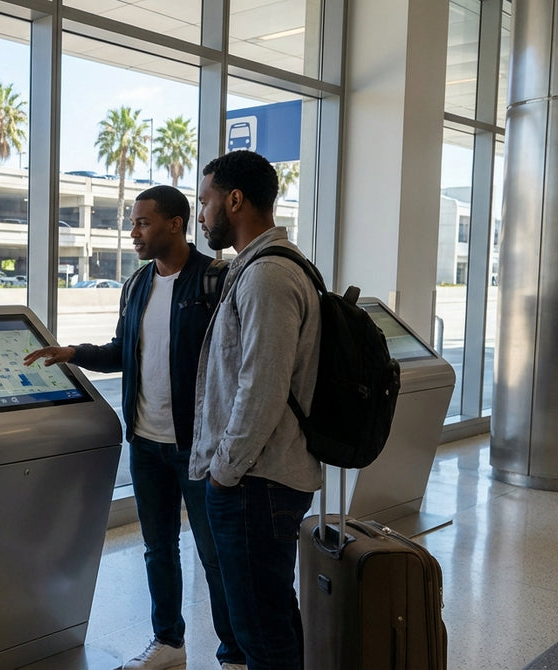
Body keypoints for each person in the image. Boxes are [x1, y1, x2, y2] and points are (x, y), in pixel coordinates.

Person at [24, 185, 244, 670]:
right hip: (145, 442)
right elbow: (122, 351)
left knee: (215, 554)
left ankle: (234, 654)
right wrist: (75, 354)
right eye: (132, 222)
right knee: (157, 548)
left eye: (143, 222)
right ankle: (169, 642)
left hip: (199, 448)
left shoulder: (216, 279)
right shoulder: (137, 285)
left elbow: (236, 363)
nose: (133, 232)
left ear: (175, 223)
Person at [190, 150, 322, 670]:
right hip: (258, 480)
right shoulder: (261, 269)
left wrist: (223, 472)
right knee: (271, 615)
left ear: (235, 199)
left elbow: (260, 387)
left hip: (255, 482)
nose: (202, 215)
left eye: (205, 201)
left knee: (260, 631)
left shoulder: (268, 276)